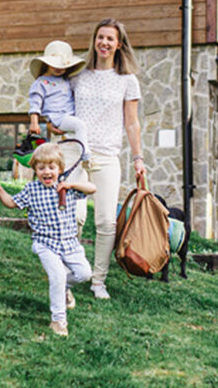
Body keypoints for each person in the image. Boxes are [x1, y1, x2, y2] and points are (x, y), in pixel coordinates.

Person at [66, 18, 146, 300]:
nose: (104, 43)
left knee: (105, 222)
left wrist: (138, 158)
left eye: (110, 39)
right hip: (75, 153)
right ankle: (71, 272)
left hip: (107, 155)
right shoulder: (77, 75)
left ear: (119, 44)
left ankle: (98, 280)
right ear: (94, 40)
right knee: (74, 217)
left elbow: (132, 123)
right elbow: (60, 106)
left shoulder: (127, 81)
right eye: (100, 37)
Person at [0, 143, 95, 337]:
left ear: (60, 169)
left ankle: (63, 289)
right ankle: (58, 320)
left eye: (51, 167)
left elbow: (92, 188)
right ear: (35, 170)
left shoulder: (67, 188)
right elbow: (11, 203)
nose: (46, 172)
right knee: (57, 275)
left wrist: (71, 185)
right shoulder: (31, 190)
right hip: (46, 244)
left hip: (70, 244)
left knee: (84, 273)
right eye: (41, 168)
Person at [27, 40, 92, 165]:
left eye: (62, 66)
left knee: (79, 126)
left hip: (69, 115)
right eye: (55, 65)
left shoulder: (65, 80)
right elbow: (35, 104)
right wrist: (34, 123)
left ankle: (82, 151)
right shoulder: (41, 83)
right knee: (80, 126)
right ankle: (86, 155)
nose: (58, 69)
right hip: (58, 117)